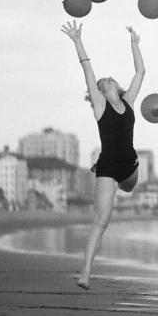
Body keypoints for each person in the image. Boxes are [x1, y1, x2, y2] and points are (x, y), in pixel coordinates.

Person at [61, 21, 145, 290]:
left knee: (129, 188)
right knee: (102, 219)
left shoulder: (129, 101)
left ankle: (122, 184)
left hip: (130, 169)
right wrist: (77, 41)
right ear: (99, 91)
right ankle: (85, 272)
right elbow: (87, 68)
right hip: (108, 167)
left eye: (109, 79)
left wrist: (134, 45)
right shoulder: (99, 107)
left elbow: (141, 71)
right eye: (102, 82)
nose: (107, 78)